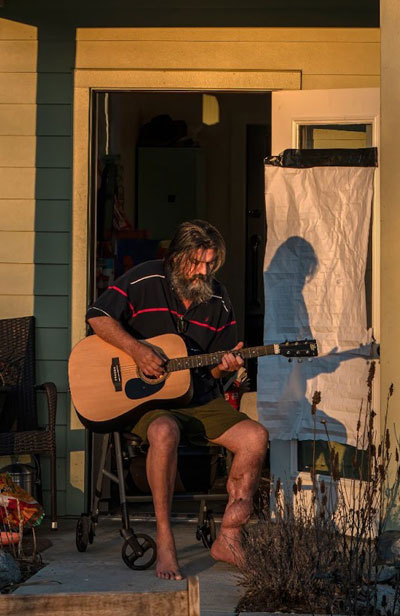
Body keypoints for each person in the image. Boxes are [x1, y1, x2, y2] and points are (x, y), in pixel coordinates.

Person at [85, 219, 269, 581]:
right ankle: (166, 538)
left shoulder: (218, 299)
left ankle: (229, 539)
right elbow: (98, 317)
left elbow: (216, 373)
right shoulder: (145, 279)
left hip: (198, 398)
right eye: (197, 263)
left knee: (255, 437)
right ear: (177, 257)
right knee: (165, 430)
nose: (203, 271)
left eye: (210, 264)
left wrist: (224, 367)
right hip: (146, 400)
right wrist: (137, 351)